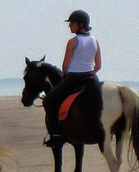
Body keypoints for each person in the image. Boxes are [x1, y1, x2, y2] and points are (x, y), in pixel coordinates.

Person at [43, 9, 101, 146]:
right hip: (92, 77)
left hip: (74, 78)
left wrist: (68, 75)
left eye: (71, 23)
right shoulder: (95, 41)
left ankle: (56, 134)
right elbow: (98, 65)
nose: (69, 26)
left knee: (48, 101)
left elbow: (65, 66)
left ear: (80, 24)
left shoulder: (73, 42)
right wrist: (89, 72)